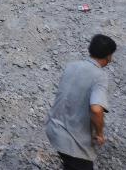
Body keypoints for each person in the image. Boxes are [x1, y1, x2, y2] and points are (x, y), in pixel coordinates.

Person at [45, 34, 117, 170]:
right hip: (72, 141)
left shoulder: (71, 66)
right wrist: (100, 133)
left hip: (53, 128)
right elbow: (96, 109)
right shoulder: (100, 76)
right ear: (108, 56)